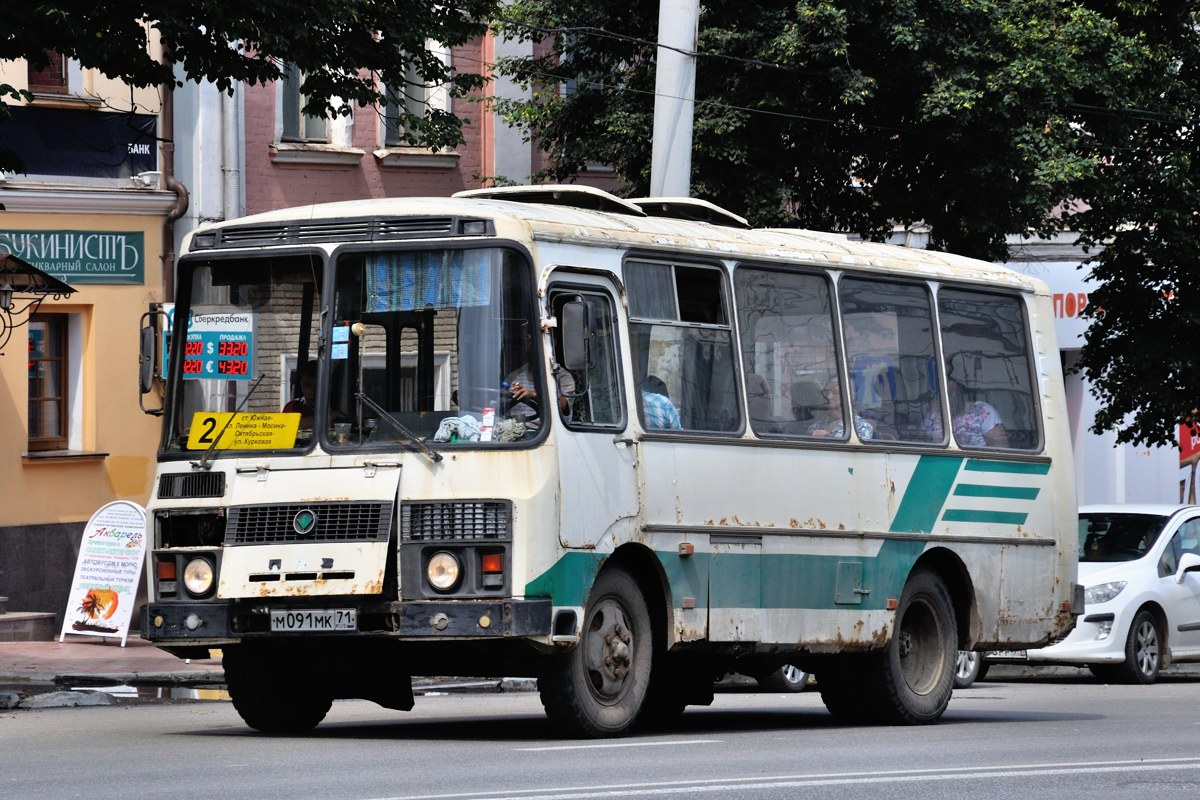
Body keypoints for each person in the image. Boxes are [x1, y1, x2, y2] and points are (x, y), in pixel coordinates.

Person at [924, 376, 1009, 447]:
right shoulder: (934, 412)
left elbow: (1000, 448)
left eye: (953, 389)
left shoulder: (981, 411)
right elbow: (921, 438)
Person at [807, 377, 874, 440]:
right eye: (826, 392)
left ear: (851, 397)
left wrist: (827, 437)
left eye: (835, 392)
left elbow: (855, 450)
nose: (828, 396)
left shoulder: (861, 427)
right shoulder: (815, 426)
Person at [282, 360, 318, 427]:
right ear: (301, 385)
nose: (313, 392)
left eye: (318, 386)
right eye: (307, 386)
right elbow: (287, 427)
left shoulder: (336, 405)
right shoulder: (293, 407)